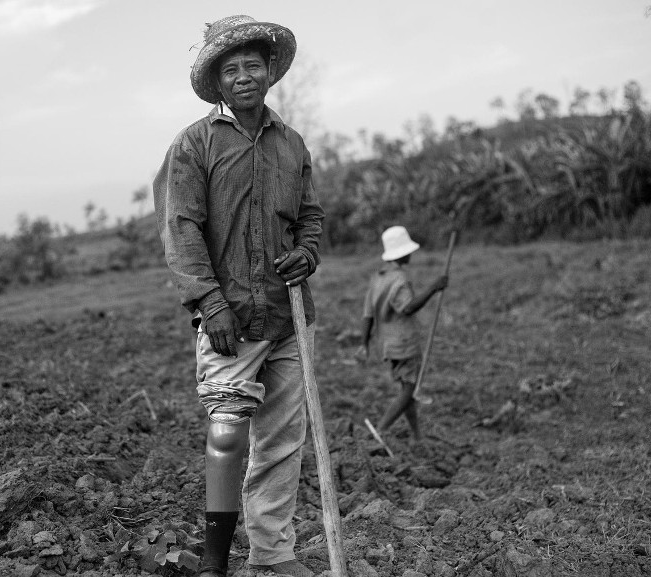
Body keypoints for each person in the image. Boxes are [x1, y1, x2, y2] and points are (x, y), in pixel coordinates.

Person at [152, 15, 324, 577]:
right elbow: (181, 229)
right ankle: (215, 563)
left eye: (253, 65)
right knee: (226, 432)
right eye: (232, 69)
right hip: (229, 316)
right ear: (218, 82)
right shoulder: (195, 144)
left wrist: (308, 251)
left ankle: (273, 557)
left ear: (270, 72)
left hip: (288, 315)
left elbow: (310, 216)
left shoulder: (290, 144)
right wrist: (210, 302)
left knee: (281, 444)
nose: (244, 76)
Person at [358, 226, 448, 439]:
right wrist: (434, 288)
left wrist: (364, 343)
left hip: (387, 345)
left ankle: (417, 435)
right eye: (408, 251)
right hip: (404, 345)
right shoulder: (399, 280)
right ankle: (380, 430)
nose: (411, 254)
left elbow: (368, 314)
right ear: (402, 253)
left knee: (408, 389)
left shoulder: (378, 278)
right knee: (409, 391)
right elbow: (407, 307)